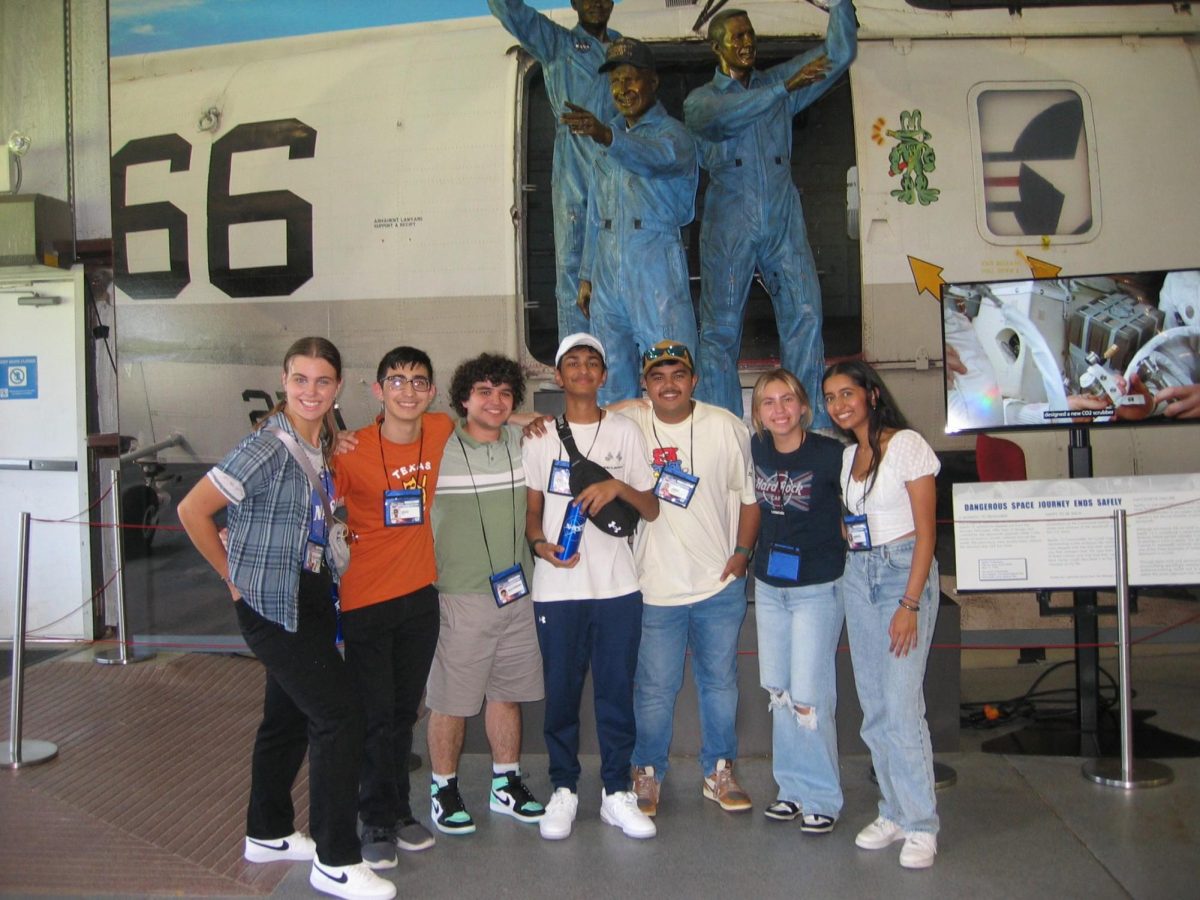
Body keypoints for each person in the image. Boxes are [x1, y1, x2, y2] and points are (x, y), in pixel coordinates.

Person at [177, 337, 395, 900]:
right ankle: (335, 858)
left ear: (338, 387)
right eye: (301, 380)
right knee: (340, 714)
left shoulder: (318, 441)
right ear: (284, 381)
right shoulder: (265, 447)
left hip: (311, 594)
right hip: (271, 602)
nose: (311, 391)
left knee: (288, 716)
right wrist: (231, 575)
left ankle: (268, 831)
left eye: (323, 381)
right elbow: (192, 509)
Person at [684, 0, 858, 424]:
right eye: (736, 37)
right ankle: (722, 431)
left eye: (750, 35)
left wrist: (839, 6)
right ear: (716, 48)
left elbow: (837, 56)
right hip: (730, 219)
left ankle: (809, 429)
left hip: (782, 215)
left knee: (805, 315)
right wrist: (782, 89)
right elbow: (724, 119)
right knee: (720, 333)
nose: (747, 43)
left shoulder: (780, 80)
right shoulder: (701, 101)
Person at [522, 333, 661, 841]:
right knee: (560, 693)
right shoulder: (538, 437)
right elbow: (533, 513)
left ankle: (616, 792)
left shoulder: (625, 432)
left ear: (604, 376)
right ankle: (563, 788)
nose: (582, 370)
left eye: (592, 363)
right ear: (557, 376)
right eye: (571, 363)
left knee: (615, 692)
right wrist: (540, 546)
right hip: (557, 588)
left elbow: (651, 508)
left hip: (618, 587)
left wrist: (617, 486)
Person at [620, 341, 760, 819]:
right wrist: (634, 404)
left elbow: (749, 497)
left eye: (678, 374)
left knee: (719, 682)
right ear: (645, 385)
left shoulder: (726, 426)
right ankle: (647, 773)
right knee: (655, 687)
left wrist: (742, 553)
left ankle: (718, 770)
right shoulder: (632, 424)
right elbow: (586, 415)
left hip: (718, 586)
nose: (669, 384)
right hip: (654, 587)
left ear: (694, 380)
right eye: (657, 377)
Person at [333, 347, 453, 868]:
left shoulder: (441, 428)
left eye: (418, 381)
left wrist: (541, 422)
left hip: (420, 597)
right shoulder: (350, 448)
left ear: (431, 391)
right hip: (365, 599)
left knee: (404, 713)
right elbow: (311, 494)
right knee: (375, 716)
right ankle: (374, 820)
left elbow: (496, 412)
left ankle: (401, 812)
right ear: (379, 390)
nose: (408, 390)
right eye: (397, 381)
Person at [822, 360, 941, 870]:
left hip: (902, 577)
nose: (839, 405)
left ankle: (921, 823)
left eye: (847, 393)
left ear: (872, 394)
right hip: (859, 575)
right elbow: (860, 518)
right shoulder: (850, 456)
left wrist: (910, 604)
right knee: (873, 705)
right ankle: (891, 810)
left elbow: (927, 532)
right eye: (830, 397)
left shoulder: (908, 445)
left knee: (901, 705)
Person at [426, 354, 546, 835]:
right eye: (483, 391)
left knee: (507, 694)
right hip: (460, 595)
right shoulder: (437, 444)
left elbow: (553, 424)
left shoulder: (525, 443)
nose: (494, 401)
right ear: (461, 399)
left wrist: (513, 416)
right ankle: (443, 787)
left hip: (518, 592)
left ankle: (505, 783)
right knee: (451, 701)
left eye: (503, 392)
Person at [561, 38, 700, 406]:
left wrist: (607, 136)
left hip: (654, 263)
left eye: (631, 79)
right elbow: (596, 214)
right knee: (610, 371)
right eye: (615, 82)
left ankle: (675, 458)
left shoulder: (674, 136)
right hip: (607, 271)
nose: (623, 89)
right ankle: (615, 459)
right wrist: (588, 274)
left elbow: (655, 159)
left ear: (653, 82)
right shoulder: (608, 140)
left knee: (668, 368)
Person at [748, 368, 846, 834]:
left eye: (788, 399)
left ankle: (822, 795)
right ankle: (790, 789)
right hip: (769, 589)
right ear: (758, 413)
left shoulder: (831, 455)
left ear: (804, 406)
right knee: (781, 692)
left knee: (810, 695)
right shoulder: (756, 448)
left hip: (816, 590)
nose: (780, 409)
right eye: (769, 402)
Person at [488, 0, 619, 343]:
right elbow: (509, 10)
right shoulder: (556, 43)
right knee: (575, 272)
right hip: (576, 163)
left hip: (620, 159)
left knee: (620, 264)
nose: (596, 3)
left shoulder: (623, 47)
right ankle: (580, 366)